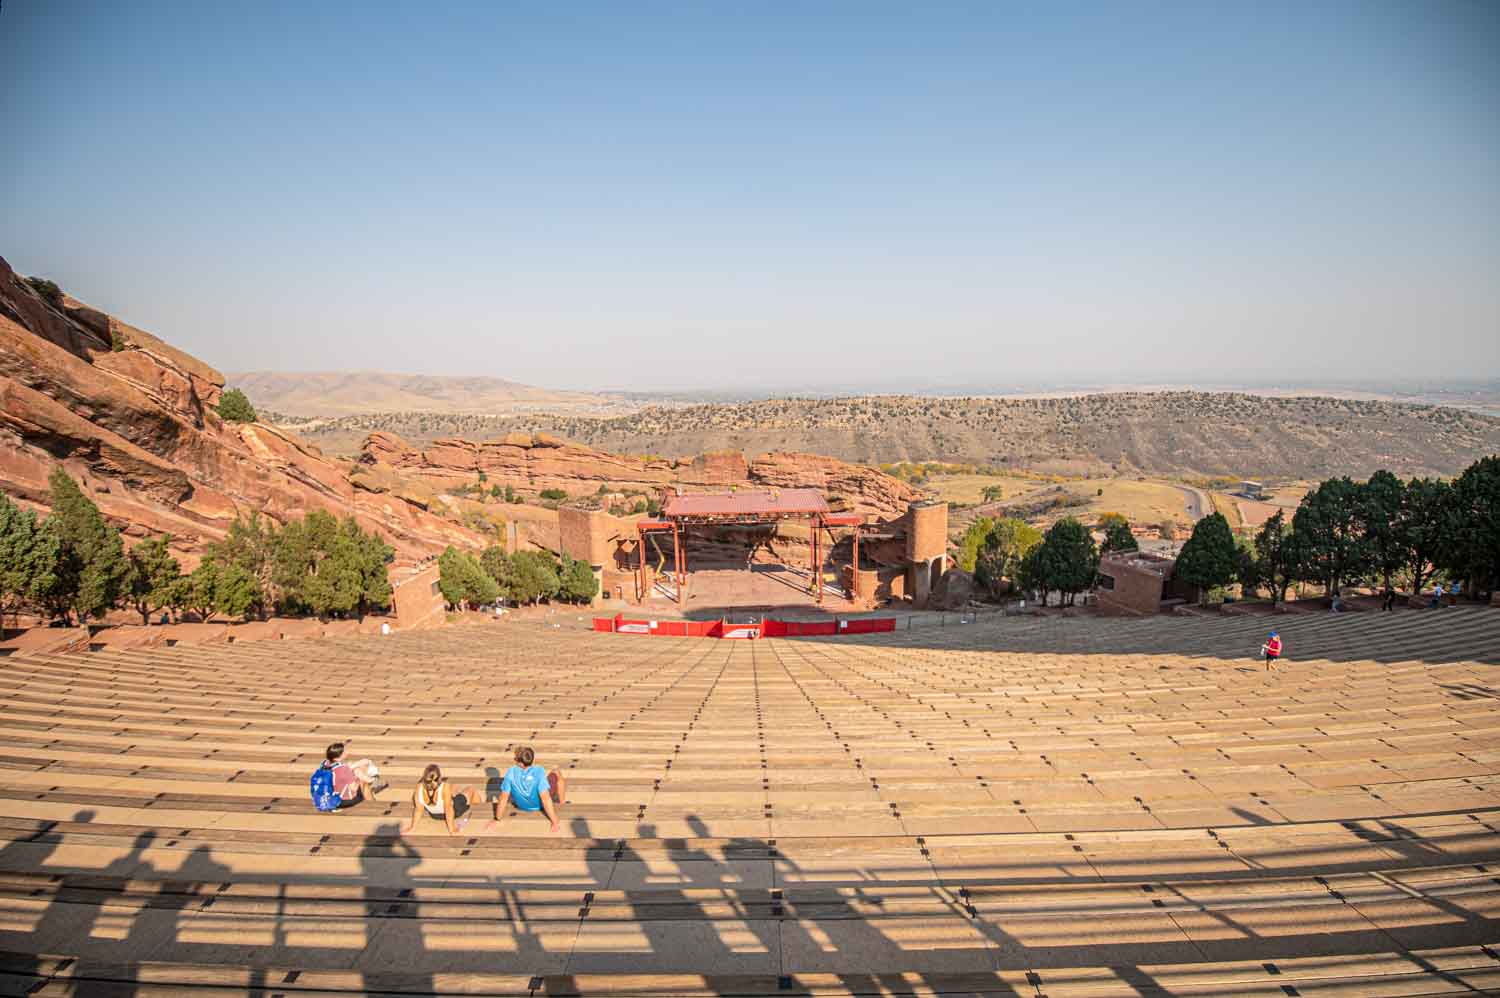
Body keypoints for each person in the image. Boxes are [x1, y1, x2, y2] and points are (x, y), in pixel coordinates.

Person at [487, 745, 567, 833]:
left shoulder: (511, 772)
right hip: (539, 805)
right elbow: (546, 799)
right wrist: (555, 822)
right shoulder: (539, 771)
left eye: (515, 758)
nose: (514, 759)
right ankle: (562, 803)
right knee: (556, 772)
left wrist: (497, 819)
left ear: (520, 762)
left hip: (521, 805)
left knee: (510, 787)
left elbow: (503, 798)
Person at [402, 764, 477, 835]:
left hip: (434, 815)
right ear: (439, 777)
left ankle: (456, 793)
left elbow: (419, 810)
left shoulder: (419, 787)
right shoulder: (445, 787)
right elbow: (448, 809)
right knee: (470, 789)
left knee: (453, 788)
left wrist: (412, 828)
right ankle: (473, 803)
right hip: (455, 811)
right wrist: (452, 830)